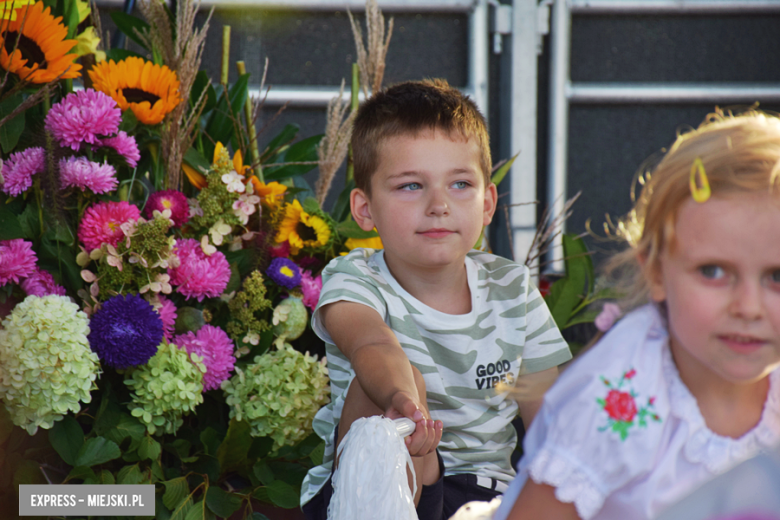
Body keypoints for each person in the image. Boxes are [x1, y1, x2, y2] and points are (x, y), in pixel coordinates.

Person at [299, 79, 572, 520]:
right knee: (391, 386)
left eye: (460, 184)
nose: (439, 205)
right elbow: (371, 344)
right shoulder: (355, 277)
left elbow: (550, 424)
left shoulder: (512, 289)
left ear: (487, 203)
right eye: (411, 186)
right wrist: (405, 401)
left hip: (482, 495)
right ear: (365, 208)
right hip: (380, 487)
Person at [492, 109, 780, 520]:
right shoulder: (615, 401)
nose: (748, 307)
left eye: (777, 276)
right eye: (713, 271)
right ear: (657, 271)